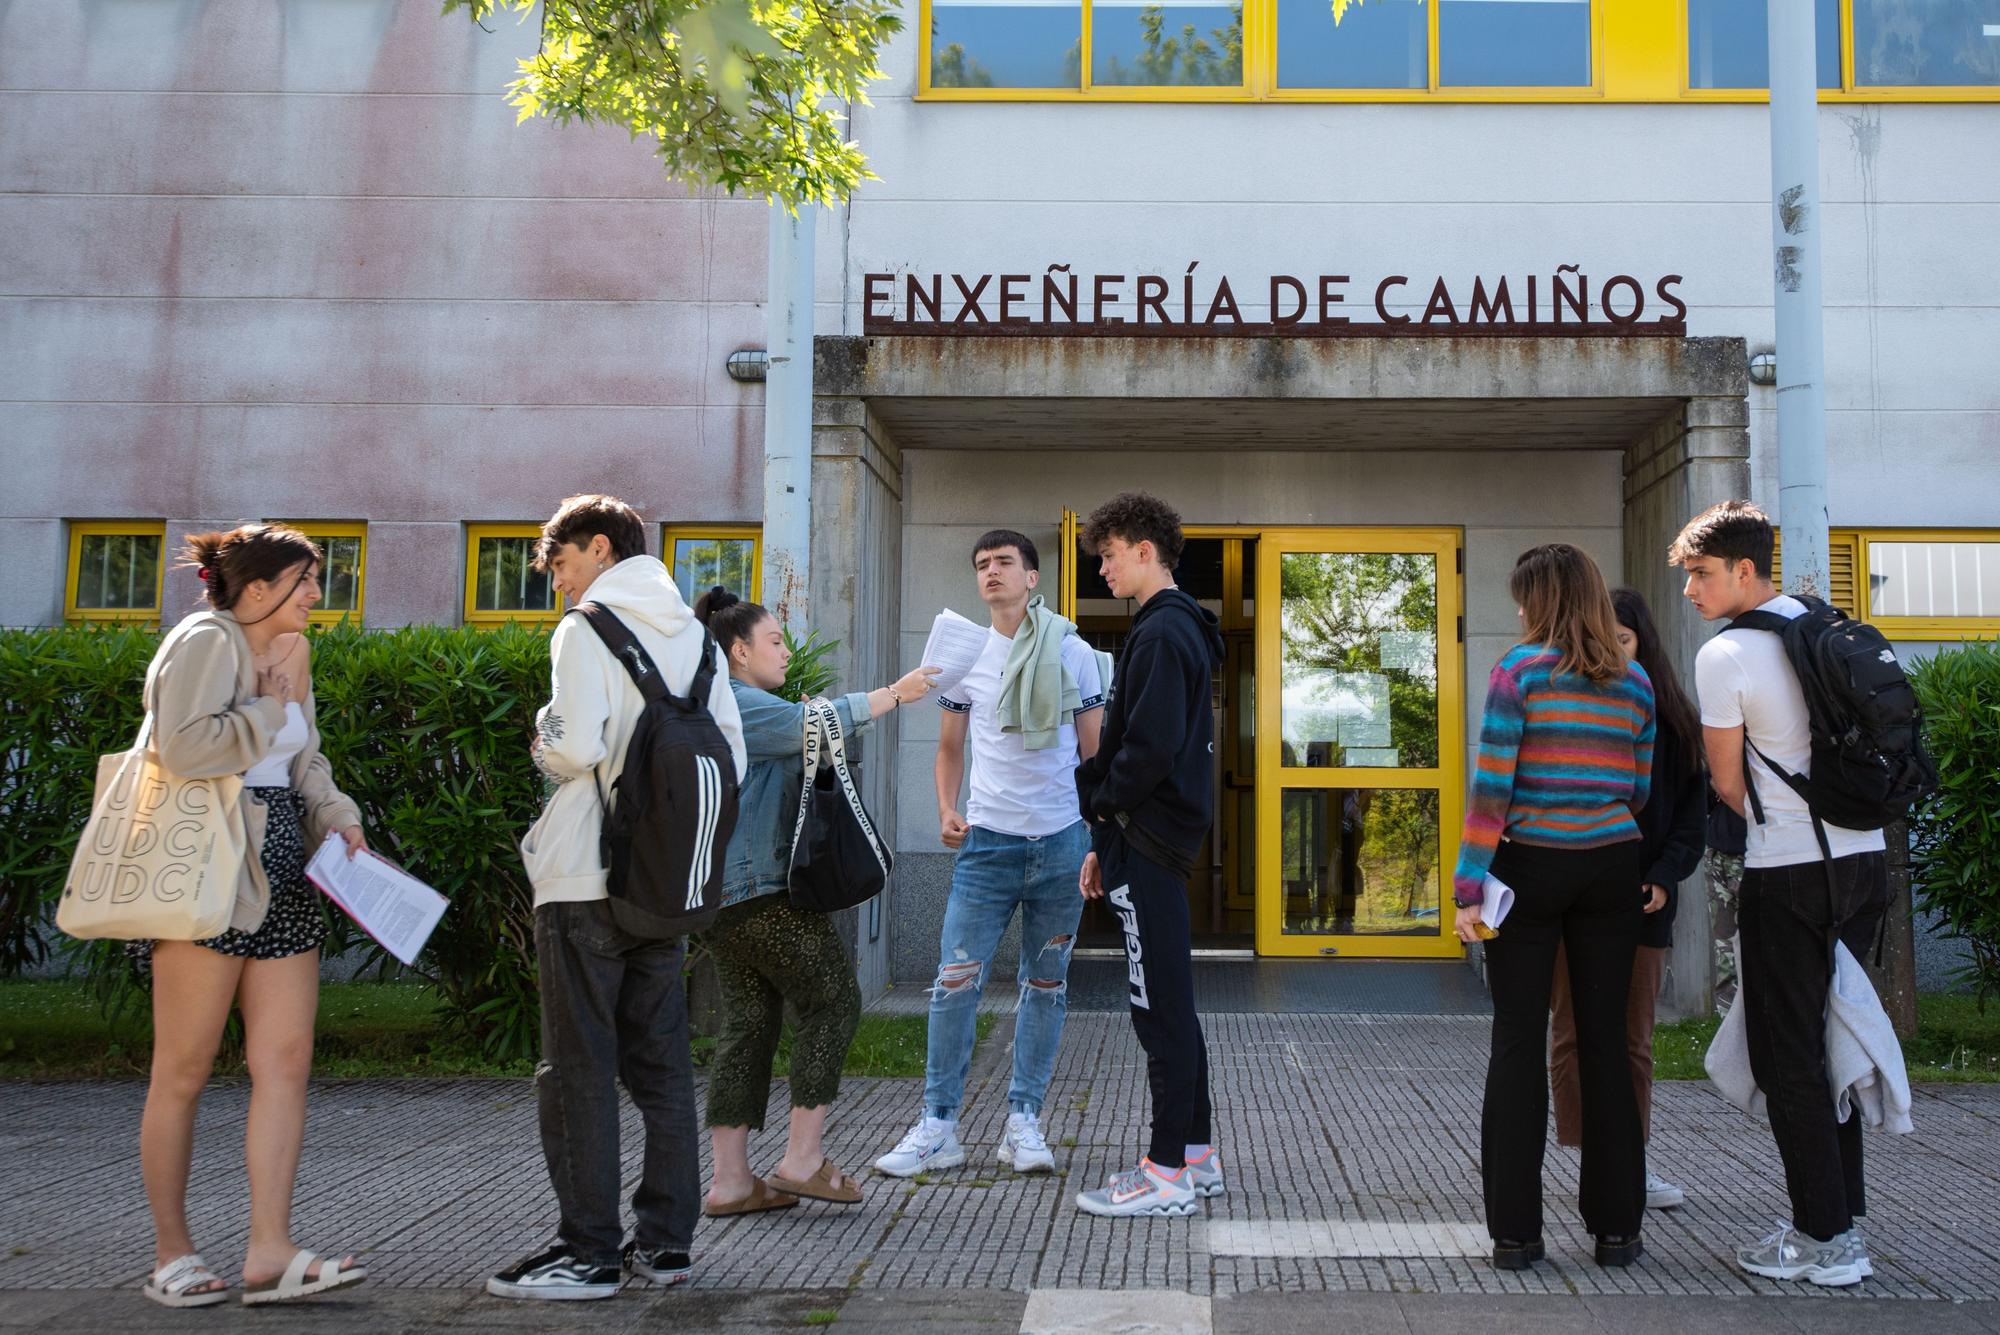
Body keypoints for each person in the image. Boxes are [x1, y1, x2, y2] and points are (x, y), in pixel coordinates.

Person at [491, 495, 746, 1302]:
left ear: (599, 548)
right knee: (662, 1066)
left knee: (577, 1068)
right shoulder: (700, 641)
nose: (560, 586)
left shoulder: (587, 628)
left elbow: (573, 748)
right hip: (665, 884)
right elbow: (731, 753)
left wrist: (542, 732)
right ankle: (667, 1244)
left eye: (562, 565)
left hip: (583, 879)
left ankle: (589, 1252)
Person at [135, 524, 369, 1308]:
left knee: (287, 1060)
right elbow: (183, 745)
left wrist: (336, 812)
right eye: (305, 580)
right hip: (209, 862)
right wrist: (266, 714)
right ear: (260, 587)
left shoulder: (295, 653)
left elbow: (305, 757)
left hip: (279, 867)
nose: (315, 595)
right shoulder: (205, 640)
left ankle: (269, 1248)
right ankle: (173, 1253)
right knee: (185, 1068)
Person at [1672, 499, 1887, 1287]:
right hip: (1866, 864)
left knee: (1785, 1051)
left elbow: (1729, 786)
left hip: (1789, 871)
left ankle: (1824, 1238)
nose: (1691, 591)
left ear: (1743, 571)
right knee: (1829, 1036)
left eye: (1700, 574)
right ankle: (1843, 1214)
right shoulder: (1825, 625)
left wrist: (1783, 820)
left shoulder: (1725, 655)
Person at [694, 587, 938, 1215]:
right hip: (762, 894)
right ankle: (802, 1159)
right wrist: (896, 693)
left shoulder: (730, 705)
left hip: (723, 901)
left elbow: (801, 746)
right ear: (739, 651)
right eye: (774, 641)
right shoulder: (737, 703)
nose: (784, 649)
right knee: (833, 1000)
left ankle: (731, 1182)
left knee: (749, 1026)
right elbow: (813, 725)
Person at [1452, 543, 1655, 1271]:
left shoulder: (1520, 674)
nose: (1516, 609)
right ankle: (1618, 1231)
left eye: (1523, 596)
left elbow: (1491, 791)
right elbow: (1639, 790)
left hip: (1528, 867)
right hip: (1609, 865)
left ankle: (1516, 1234)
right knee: (1603, 1040)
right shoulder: (1633, 681)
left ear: (1542, 600)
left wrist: (1468, 886)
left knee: (1517, 1039)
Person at [876, 531, 1104, 1179]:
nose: (991, 572)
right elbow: (949, 747)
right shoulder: (964, 655)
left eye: (1004, 562)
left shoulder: (1073, 651)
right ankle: (939, 1125)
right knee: (955, 983)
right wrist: (948, 807)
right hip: (987, 845)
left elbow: (1094, 755)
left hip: (1062, 841)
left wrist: (1098, 837)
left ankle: (1024, 1121)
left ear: (1032, 577)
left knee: (1046, 984)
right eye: (981, 565)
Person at [1070, 494, 1226, 1219]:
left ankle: (1165, 1174)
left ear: (1144, 550)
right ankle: (1194, 1154)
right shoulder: (1176, 626)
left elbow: (1148, 747)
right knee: (1172, 1001)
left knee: (1156, 1006)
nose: (1100, 567)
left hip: (1148, 837)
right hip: (1148, 839)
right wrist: (1109, 837)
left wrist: (1103, 807)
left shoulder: (1163, 632)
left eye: (1108, 553)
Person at [1547, 587, 1704, 1211]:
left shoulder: (1674, 722)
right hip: (1571, 895)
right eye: (1601, 639)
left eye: (1625, 640)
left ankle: (1629, 1159)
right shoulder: (1563, 706)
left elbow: (1691, 821)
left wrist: (1664, 877)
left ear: (1645, 645)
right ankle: (1590, 1156)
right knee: (1572, 1031)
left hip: (1642, 900)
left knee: (1633, 1038)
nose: (1612, 652)